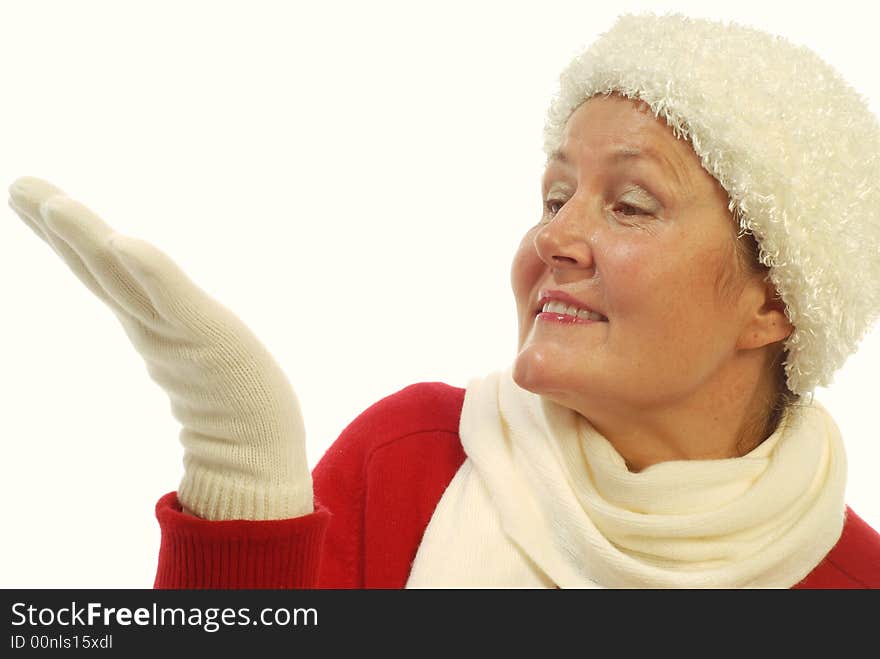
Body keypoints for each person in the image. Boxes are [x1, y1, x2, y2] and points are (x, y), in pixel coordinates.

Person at [8, 12, 880, 588]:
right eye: (554, 197)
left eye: (629, 204)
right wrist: (242, 474)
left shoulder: (853, 581)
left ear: (777, 303)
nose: (553, 238)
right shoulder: (411, 462)